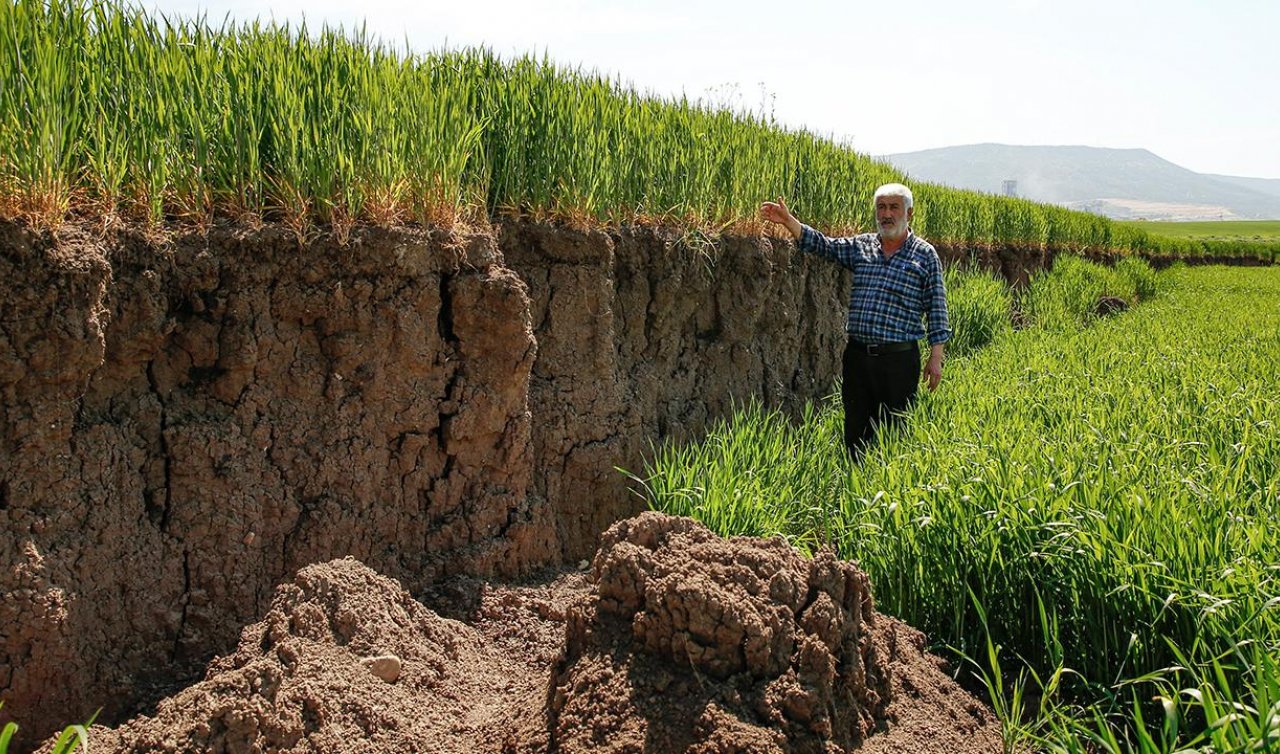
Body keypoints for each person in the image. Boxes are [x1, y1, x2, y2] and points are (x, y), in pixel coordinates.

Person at [759, 183, 950, 459]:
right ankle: (854, 485)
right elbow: (824, 245)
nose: (886, 214)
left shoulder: (924, 254)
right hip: (858, 358)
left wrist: (936, 357)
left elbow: (937, 307)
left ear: (910, 212)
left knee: (894, 433)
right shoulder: (862, 246)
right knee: (855, 430)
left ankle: (890, 490)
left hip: (899, 361)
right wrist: (789, 222)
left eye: (893, 207)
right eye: (881, 207)